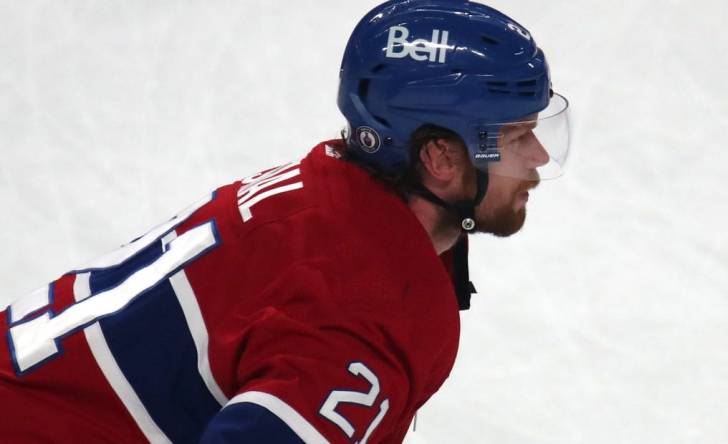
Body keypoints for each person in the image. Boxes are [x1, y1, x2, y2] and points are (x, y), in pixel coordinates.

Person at [0, 0, 570, 442]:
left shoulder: (326, 194)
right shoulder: (367, 308)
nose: (539, 156)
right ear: (440, 158)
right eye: (517, 137)